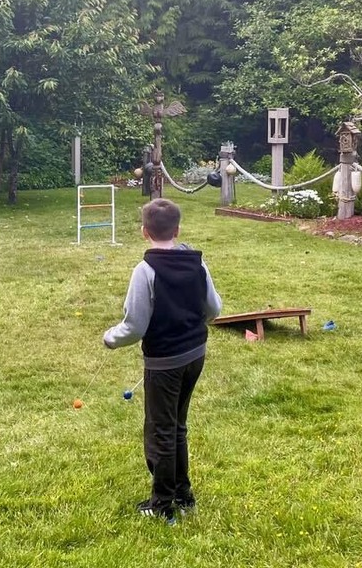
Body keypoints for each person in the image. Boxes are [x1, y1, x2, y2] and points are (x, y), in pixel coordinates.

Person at [103, 198, 222, 523]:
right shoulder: (197, 264)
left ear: (144, 232)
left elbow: (134, 326)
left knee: (161, 432)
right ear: (178, 229)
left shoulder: (146, 271)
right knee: (177, 426)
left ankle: (163, 505)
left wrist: (110, 338)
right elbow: (214, 309)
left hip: (165, 365)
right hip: (195, 356)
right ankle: (183, 495)